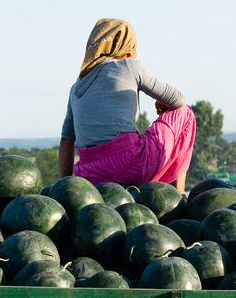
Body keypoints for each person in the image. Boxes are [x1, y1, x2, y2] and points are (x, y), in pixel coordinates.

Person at [59, 18, 196, 193]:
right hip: (129, 165)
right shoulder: (130, 67)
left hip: (88, 175)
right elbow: (178, 100)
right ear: (126, 47)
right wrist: (163, 103)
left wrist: (64, 189)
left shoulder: (77, 86)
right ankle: (178, 196)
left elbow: (66, 140)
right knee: (184, 113)